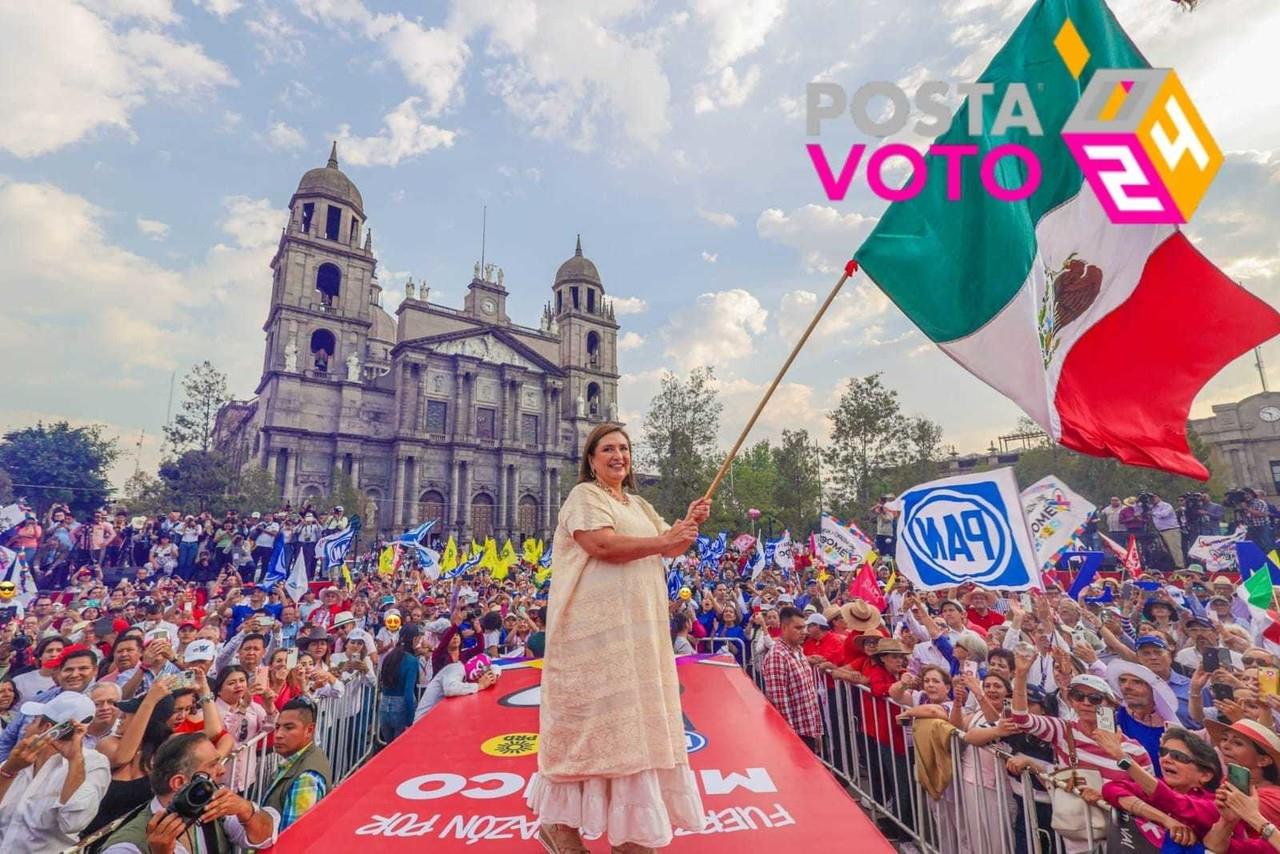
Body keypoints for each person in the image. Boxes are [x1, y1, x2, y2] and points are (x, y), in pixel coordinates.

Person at [528, 422, 707, 854]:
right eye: (607, 448)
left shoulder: (641, 506)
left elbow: (668, 547)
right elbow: (602, 546)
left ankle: (631, 836)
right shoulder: (584, 497)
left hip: (639, 641)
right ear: (591, 459)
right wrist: (666, 538)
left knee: (633, 731)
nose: (617, 455)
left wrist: (687, 525)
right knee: (588, 733)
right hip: (592, 641)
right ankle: (562, 830)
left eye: (624, 448)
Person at [98, 732, 279, 853]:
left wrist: (246, 810)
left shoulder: (212, 806)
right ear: (180, 782)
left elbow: (264, 837)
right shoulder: (126, 846)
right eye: (212, 765)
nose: (222, 771)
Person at [0, 691, 110, 852]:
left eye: (33, 721)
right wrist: (9, 770)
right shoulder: (19, 761)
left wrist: (75, 760)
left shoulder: (93, 763)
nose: (26, 728)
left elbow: (73, 823)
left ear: (47, 728)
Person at [1083, 726, 1221, 848]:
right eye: (1163, 752)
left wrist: (1121, 757)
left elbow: (1169, 799)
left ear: (1205, 775)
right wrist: (1164, 819)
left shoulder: (1214, 805)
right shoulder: (1159, 785)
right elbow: (1112, 788)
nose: (1166, 759)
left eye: (1178, 756)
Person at [262, 698, 331, 832]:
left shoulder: (306, 780)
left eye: (289, 728)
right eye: (277, 727)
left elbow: (293, 836)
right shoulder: (306, 756)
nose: (278, 735)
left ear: (309, 730)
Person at [761, 606, 823, 751]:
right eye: (798, 628)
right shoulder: (777, 656)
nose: (804, 632)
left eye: (804, 628)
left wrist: (817, 731)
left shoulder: (799, 651)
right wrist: (791, 739)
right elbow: (780, 703)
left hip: (809, 730)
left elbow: (810, 696)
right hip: (795, 736)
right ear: (784, 628)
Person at [415, 630, 499, 720]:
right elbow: (450, 689)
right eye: (479, 674)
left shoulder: (464, 661)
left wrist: (493, 675)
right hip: (424, 721)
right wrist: (480, 685)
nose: (479, 677)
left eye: (457, 635)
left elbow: (496, 666)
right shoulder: (455, 667)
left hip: (439, 717)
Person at [377, 624, 423, 744]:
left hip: (384, 707)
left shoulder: (389, 656)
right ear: (415, 639)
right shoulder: (411, 661)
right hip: (401, 708)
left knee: (389, 748)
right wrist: (410, 720)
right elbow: (408, 693)